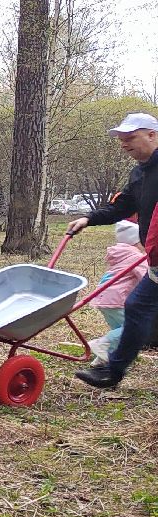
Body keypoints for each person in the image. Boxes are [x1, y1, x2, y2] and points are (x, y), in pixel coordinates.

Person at [70, 112, 158, 388]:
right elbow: (123, 207)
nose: (124, 144)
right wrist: (89, 219)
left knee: (139, 307)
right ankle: (112, 372)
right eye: (121, 140)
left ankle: (113, 371)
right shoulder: (140, 173)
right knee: (137, 307)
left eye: (130, 138)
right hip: (156, 260)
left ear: (152, 135)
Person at [88, 220, 147, 362]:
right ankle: (101, 344)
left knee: (119, 331)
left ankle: (102, 360)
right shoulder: (136, 257)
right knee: (131, 330)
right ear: (135, 242)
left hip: (103, 299)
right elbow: (146, 277)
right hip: (118, 300)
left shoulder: (120, 254)